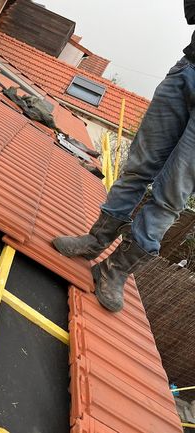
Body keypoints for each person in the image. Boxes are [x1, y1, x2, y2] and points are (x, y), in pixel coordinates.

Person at [53, 0, 195, 313]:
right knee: (138, 169)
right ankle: (95, 241)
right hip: (188, 71)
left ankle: (114, 270)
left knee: (172, 196)